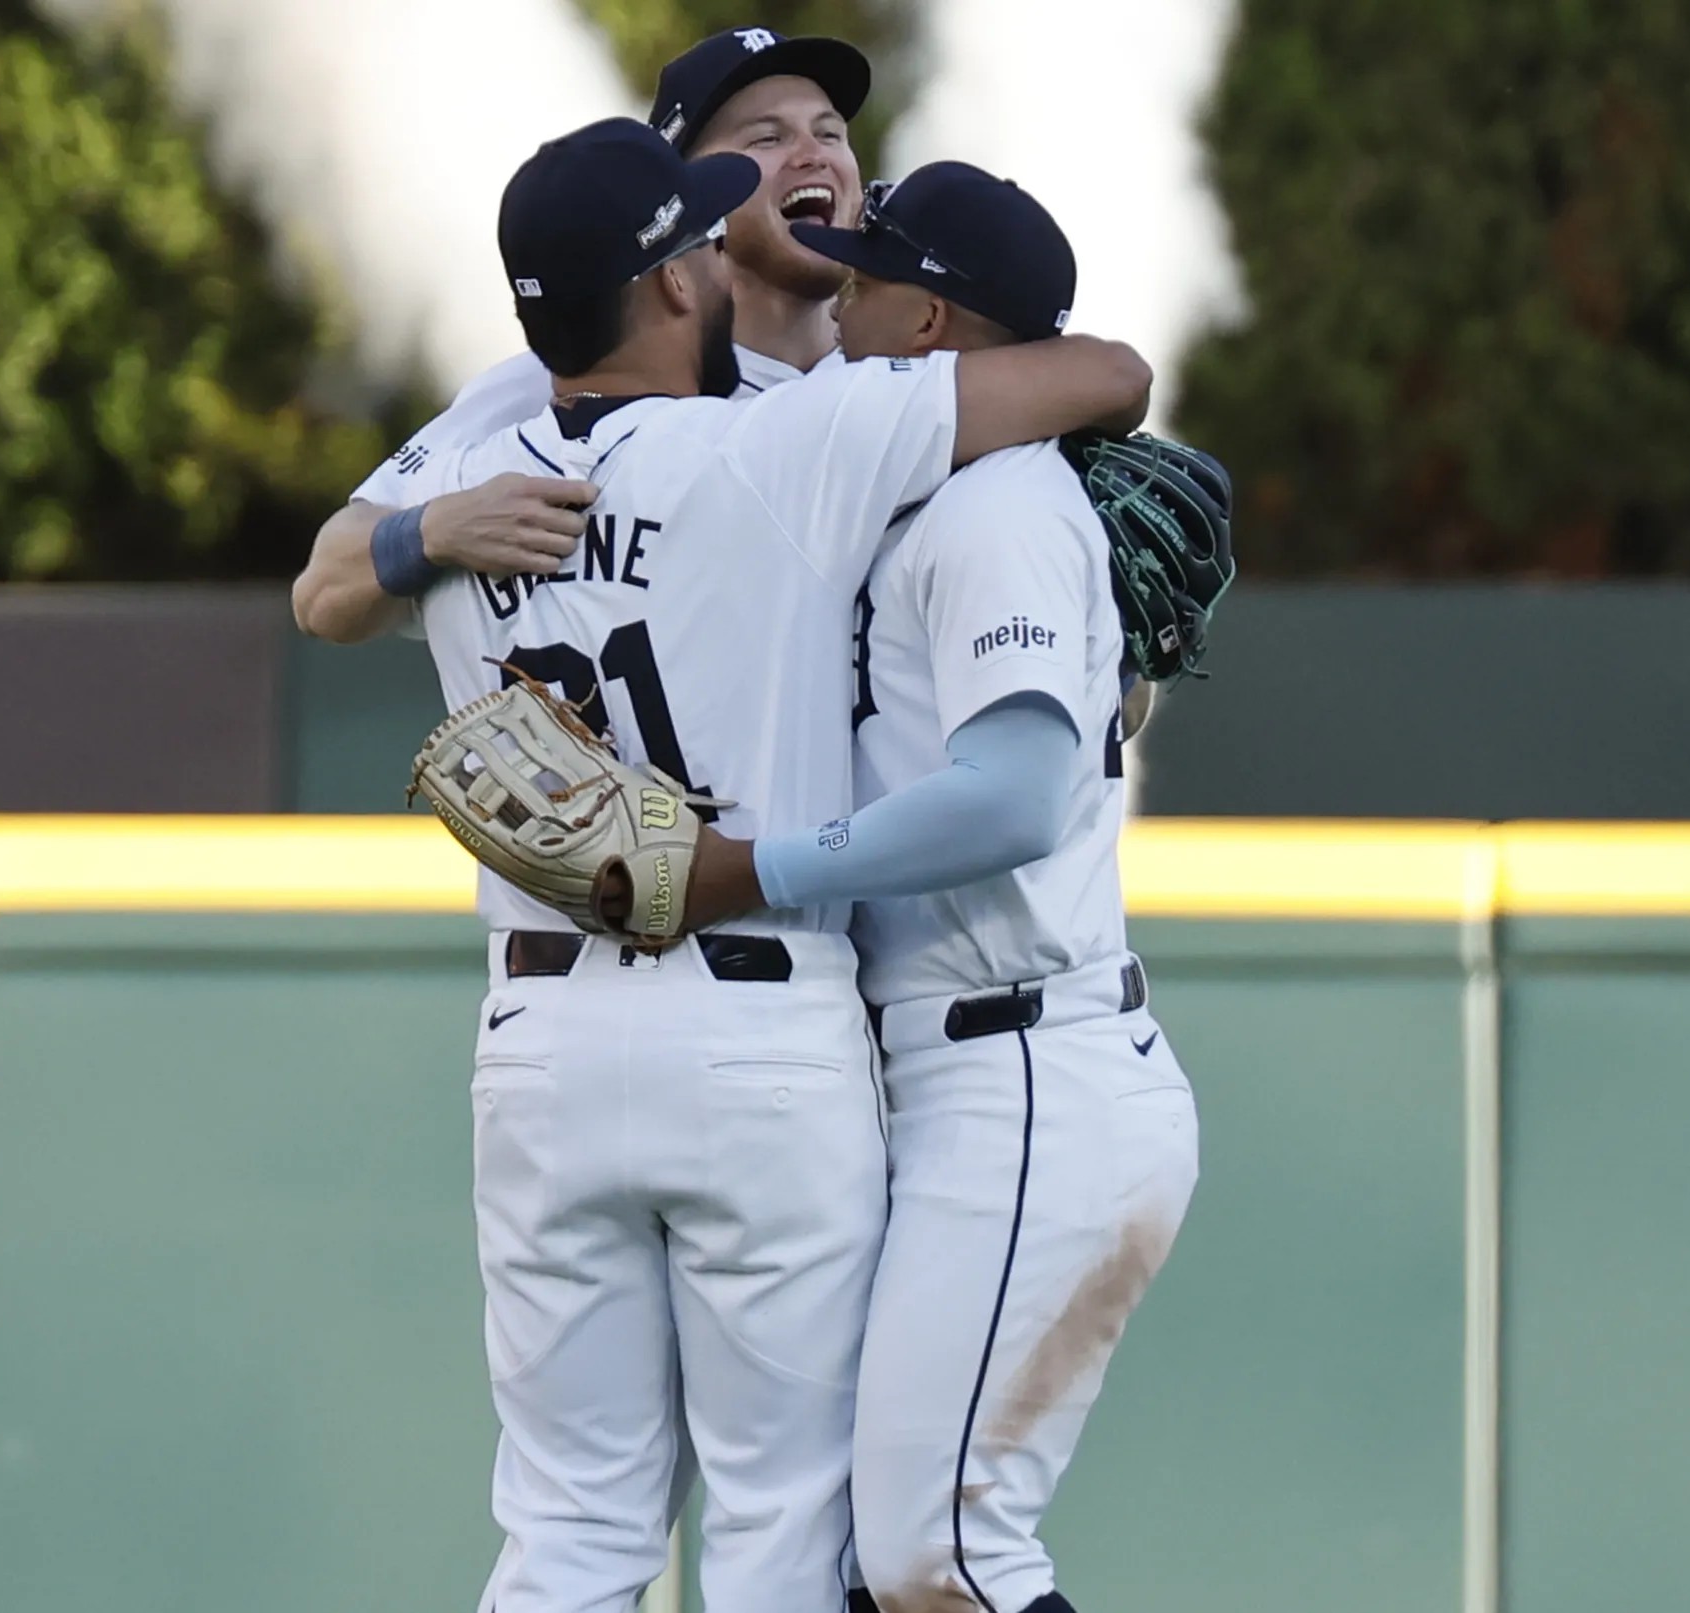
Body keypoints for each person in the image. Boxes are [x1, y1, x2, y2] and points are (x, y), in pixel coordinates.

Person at [370, 116, 1153, 1613]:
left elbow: (332, 576)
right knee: (786, 1534)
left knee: (569, 1537)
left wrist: (413, 540)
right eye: (699, 240)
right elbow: (1105, 372)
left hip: (538, 1030)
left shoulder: (462, 484)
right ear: (672, 285)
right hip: (756, 1023)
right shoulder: (781, 449)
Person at [655, 163, 1203, 1613]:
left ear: (931, 322)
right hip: (956, 1065)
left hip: (1026, 1066)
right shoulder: (915, 490)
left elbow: (1016, 798)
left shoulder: (999, 507)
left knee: (939, 1556)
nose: (846, 287)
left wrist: (753, 873)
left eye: (872, 272)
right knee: (860, 1558)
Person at [293, 27, 876, 646]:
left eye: (830, 131)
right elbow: (324, 590)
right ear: (679, 198)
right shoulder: (572, 387)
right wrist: (433, 531)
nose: (813, 154)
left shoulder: (908, 364)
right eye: (768, 137)